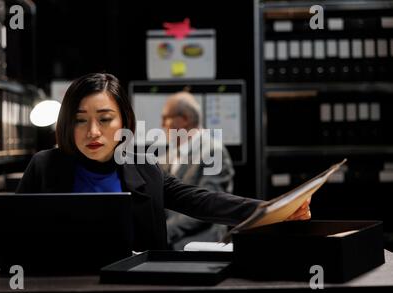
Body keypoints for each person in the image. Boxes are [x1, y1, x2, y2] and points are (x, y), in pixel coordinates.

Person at [16, 73, 311, 252]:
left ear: (123, 122)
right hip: (58, 285)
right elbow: (17, 235)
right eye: (80, 120)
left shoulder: (142, 165)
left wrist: (272, 211)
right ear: (67, 123)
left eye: (105, 119)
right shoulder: (44, 166)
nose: (93, 131)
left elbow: (202, 201)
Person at [160, 92, 234, 250]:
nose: (162, 124)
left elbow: (207, 206)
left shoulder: (213, 152)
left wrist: (162, 232)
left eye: (166, 117)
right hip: (168, 248)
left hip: (200, 250)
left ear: (185, 118)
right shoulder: (165, 157)